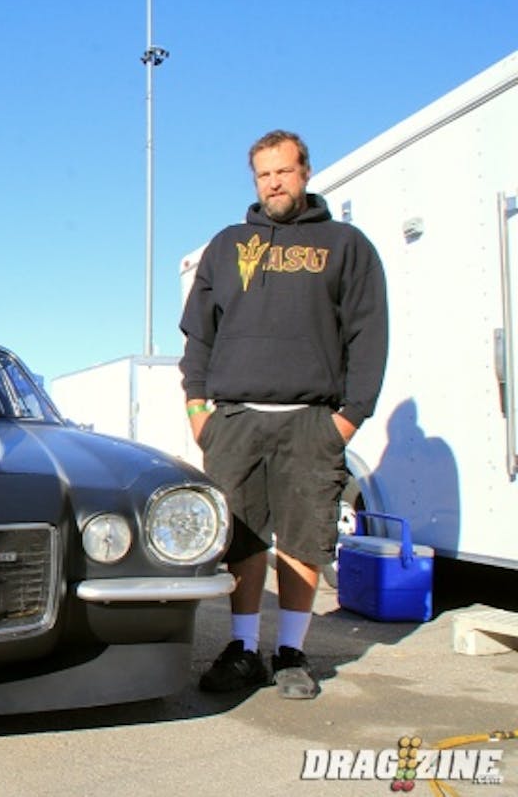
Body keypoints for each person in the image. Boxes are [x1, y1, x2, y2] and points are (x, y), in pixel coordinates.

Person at [179, 129, 388, 699]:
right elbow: (199, 336)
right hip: (236, 420)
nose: (274, 183)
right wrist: (200, 411)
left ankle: (292, 653)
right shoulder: (227, 246)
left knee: (301, 538)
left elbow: (368, 337)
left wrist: (347, 419)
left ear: (306, 173)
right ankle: (242, 648)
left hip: (310, 419)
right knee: (242, 541)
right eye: (263, 174)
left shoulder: (346, 245)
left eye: (283, 171)